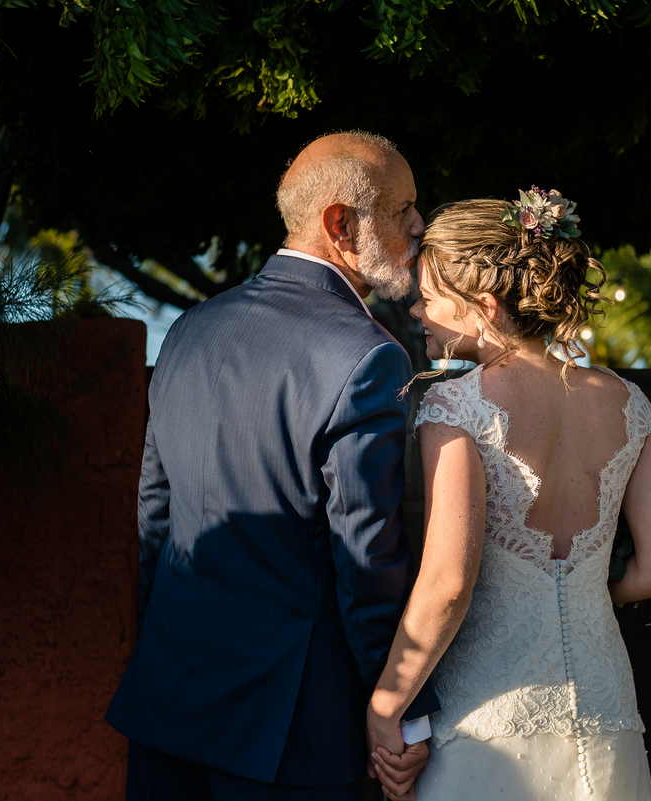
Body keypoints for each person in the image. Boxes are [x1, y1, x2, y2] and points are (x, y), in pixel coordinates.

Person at [105, 131, 439, 801]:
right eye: (402, 208)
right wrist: (400, 710)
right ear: (340, 224)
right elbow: (367, 563)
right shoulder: (368, 357)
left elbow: (155, 519)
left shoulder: (192, 328)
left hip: (166, 705)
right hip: (292, 737)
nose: (418, 225)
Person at [365, 191, 651, 801]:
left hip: (488, 723)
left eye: (431, 299)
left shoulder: (454, 405)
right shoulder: (630, 405)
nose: (417, 311)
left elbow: (449, 583)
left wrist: (387, 705)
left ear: (483, 308)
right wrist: (587, 591)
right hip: (606, 709)